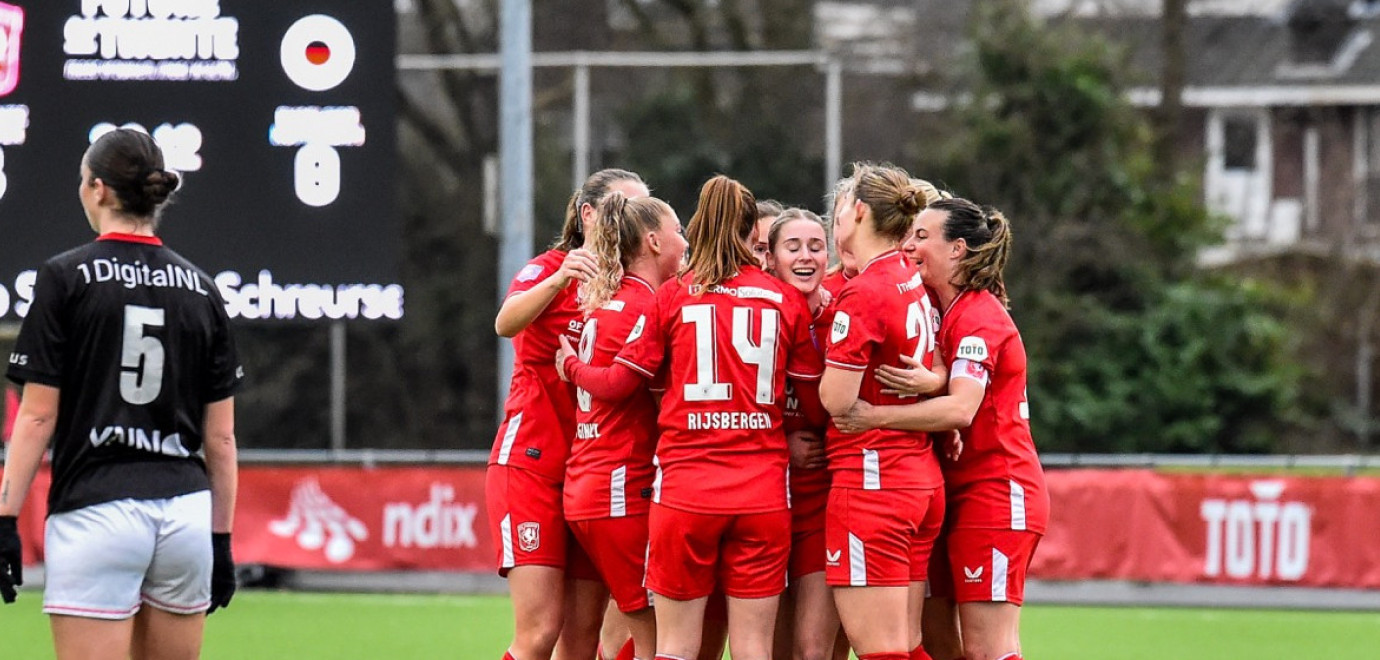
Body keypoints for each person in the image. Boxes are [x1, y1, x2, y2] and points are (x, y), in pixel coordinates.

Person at [0, 128, 241, 660]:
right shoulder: (203, 289)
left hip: (97, 511)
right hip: (184, 515)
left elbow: (38, 418)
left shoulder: (65, 277)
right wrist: (220, 541)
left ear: (99, 189)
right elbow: (220, 439)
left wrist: (4, 518)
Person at [562, 175, 825, 660]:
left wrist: (572, 366)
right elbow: (813, 402)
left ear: (699, 228)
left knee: (677, 648)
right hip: (762, 492)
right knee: (753, 650)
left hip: (685, 491)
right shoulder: (785, 301)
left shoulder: (673, 296)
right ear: (754, 236)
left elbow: (624, 383)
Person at [836, 198, 1049, 660]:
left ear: (957, 250)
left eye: (922, 237)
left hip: (996, 493)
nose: (909, 246)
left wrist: (873, 416)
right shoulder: (938, 308)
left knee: (988, 648)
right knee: (938, 642)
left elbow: (960, 410)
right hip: (951, 493)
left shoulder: (978, 316)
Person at [488, 168, 649, 660]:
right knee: (539, 633)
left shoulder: (633, 288)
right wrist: (560, 278)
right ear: (588, 215)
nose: (635, 221)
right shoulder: (552, 268)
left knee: (581, 638)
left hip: (592, 479)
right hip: (532, 465)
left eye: (643, 212)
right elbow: (505, 321)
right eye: (625, 209)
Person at [818, 164, 947, 660]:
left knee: (880, 650)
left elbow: (835, 400)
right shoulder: (905, 276)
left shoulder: (866, 290)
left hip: (873, 480)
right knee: (905, 645)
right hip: (914, 475)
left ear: (860, 212)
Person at [556, 191, 688, 660]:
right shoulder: (644, 306)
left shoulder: (612, 300)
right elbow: (615, 385)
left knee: (622, 633)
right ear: (653, 241)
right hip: (616, 489)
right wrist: (571, 368)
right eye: (677, 231)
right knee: (656, 637)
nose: (684, 241)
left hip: (592, 483)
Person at [761, 208, 851, 660]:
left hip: (821, 501)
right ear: (771, 258)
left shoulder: (843, 315)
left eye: (816, 247)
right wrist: (782, 442)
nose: (806, 257)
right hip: (763, 502)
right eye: (792, 247)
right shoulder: (754, 316)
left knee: (816, 649)